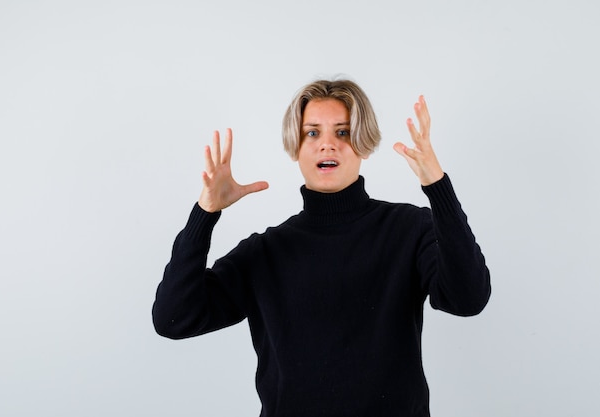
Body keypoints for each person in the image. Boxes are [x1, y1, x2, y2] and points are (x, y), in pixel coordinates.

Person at [152, 79, 491, 417]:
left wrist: (437, 185)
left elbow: (467, 298)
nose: (327, 145)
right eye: (312, 133)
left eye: (342, 132)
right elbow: (174, 319)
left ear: (364, 143)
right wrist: (205, 213)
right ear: (295, 145)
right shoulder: (264, 253)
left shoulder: (409, 228)